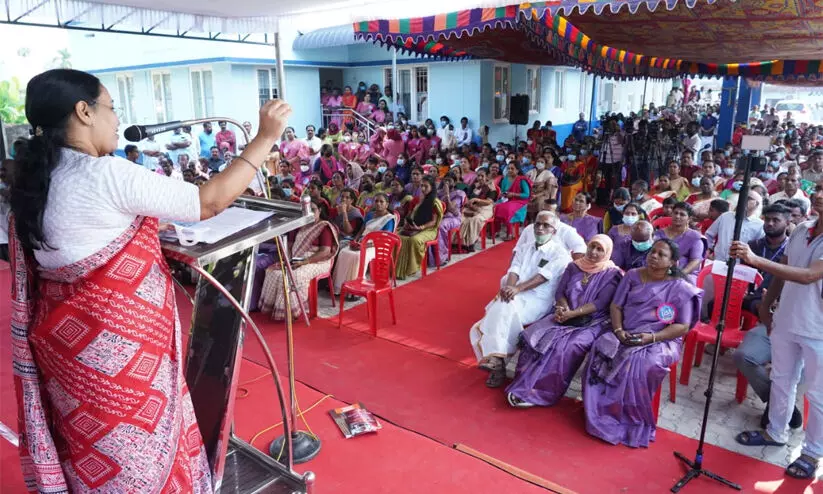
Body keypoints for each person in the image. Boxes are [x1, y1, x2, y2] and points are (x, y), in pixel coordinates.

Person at [7, 68, 291, 492]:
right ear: (84, 112)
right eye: (111, 108)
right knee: (136, 460)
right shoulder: (105, 175)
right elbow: (208, 201)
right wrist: (266, 137)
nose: (117, 120)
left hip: (66, 353)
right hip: (119, 362)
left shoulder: (39, 180)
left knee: (92, 453)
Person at [730, 182, 823, 480]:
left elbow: (809, 276)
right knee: (782, 380)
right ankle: (775, 432)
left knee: (819, 395)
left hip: (818, 327)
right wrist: (767, 305)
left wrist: (755, 259)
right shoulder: (802, 228)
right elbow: (784, 267)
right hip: (785, 319)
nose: (820, 194)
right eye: (820, 188)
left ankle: (812, 452)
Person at [584, 239, 702, 448]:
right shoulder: (632, 275)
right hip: (625, 331)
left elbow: (682, 326)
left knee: (642, 362)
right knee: (601, 347)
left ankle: (629, 420)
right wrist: (619, 330)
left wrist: (651, 338)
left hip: (661, 338)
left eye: (661, 254)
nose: (654, 256)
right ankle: (600, 413)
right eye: (652, 252)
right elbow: (616, 306)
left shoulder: (680, 287)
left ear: (673, 262)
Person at [506, 235, 622, 407]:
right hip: (564, 313)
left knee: (567, 347)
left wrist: (573, 314)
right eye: (592, 246)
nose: (594, 252)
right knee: (536, 337)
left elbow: (600, 303)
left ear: (607, 253)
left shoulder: (612, 274)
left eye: (600, 249)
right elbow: (560, 292)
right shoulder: (574, 266)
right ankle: (523, 385)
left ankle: (542, 392)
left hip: (592, 321)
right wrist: (564, 309)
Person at [469, 211, 573, 388]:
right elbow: (514, 269)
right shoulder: (527, 246)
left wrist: (515, 289)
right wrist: (509, 288)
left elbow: (541, 277)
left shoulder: (560, 254)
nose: (540, 228)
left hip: (538, 300)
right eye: (537, 224)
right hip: (517, 294)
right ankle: (499, 361)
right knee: (505, 307)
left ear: (554, 231)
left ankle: (497, 361)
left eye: (546, 225)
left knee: (498, 311)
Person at [733, 204, 803, 429]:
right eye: (768, 219)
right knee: (743, 355)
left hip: (805, 326)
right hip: (772, 318)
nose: (770, 224)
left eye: (776, 220)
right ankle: (778, 402)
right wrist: (766, 305)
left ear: (788, 224)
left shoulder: (804, 262)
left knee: (796, 370)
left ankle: (779, 407)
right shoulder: (763, 247)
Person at [259, 201, 339, 319]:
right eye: (306, 209)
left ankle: (291, 312)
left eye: (313, 209)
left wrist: (304, 261)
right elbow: (290, 246)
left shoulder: (323, 227)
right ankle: (273, 307)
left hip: (318, 261)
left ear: (320, 211)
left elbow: (325, 252)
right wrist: (289, 260)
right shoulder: (299, 225)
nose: (309, 212)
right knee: (273, 272)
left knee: (293, 276)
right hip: (296, 257)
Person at [331, 193, 396, 295]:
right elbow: (362, 230)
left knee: (357, 256)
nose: (378, 203)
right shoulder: (370, 214)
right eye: (376, 201)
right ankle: (340, 286)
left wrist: (364, 245)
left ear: (386, 204)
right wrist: (355, 240)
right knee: (343, 252)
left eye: (381, 202)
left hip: (377, 246)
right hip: (362, 241)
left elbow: (384, 239)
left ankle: (355, 290)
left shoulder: (389, 219)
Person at [395, 176, 443, 279]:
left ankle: (411, 268)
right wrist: (408, 224)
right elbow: (410, 214)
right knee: (395, 236)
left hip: (429, 229)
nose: (423, 188)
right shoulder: (416, 199)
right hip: (414, 226)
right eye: (422, 186)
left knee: (414, 240)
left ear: (432, 187)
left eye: (426, 186)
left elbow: (434, 222)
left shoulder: (435, 202)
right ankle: (394, 267)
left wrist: (421, 227)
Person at [517, 199, 587, 260]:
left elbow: (581, 247)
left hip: (554, 270)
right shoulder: (529, 228)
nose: (544, 213)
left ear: (557, 214)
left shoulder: (566, 230)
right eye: (542, 210)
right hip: (527, 266)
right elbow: (517, 250)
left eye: (548, 211)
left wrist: (572, 267)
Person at [654, 202, 705, 284]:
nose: (677, 216)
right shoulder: (659, 234)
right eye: (675, 213)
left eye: (682, 214)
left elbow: (695, 260)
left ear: (689, 218)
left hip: (685, 274)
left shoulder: (694, 237)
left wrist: (679, 274)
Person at [460, 168, 498, 250]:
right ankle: (461, 242)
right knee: (462, 218)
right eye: (478, 175)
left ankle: (470, 243)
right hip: (472, 206)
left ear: (487, 176)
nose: (480, 178)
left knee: (475, 219)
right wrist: (469, 203)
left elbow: (488, 202)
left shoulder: (491, 187)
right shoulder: (474, 185)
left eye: (482, 176)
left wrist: (477, 200)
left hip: (486, 208)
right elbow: (468, 197)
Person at [434, 173, 466, 265]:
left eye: (449, 180)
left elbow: (451, 209)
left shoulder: (459, 193)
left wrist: (447, 194)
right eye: (445, 180)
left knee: (440, 226)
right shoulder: (439, 192)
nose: (446, 182)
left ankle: (442, 257)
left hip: (453, 217)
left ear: (455, 182)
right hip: (440, 216)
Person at [494, 162, 531, 240]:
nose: (510, 170)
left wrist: (513, 194)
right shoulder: (505, 179)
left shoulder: (521, 180)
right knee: (495, 206)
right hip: (507, 199)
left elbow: (526, 195)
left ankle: (510, 233)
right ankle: (496, 231)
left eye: (512, 168)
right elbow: (503, 191)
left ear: (517, 170)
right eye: (508, 168)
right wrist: (502, 194)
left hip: (520, 202)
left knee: (508, 208)